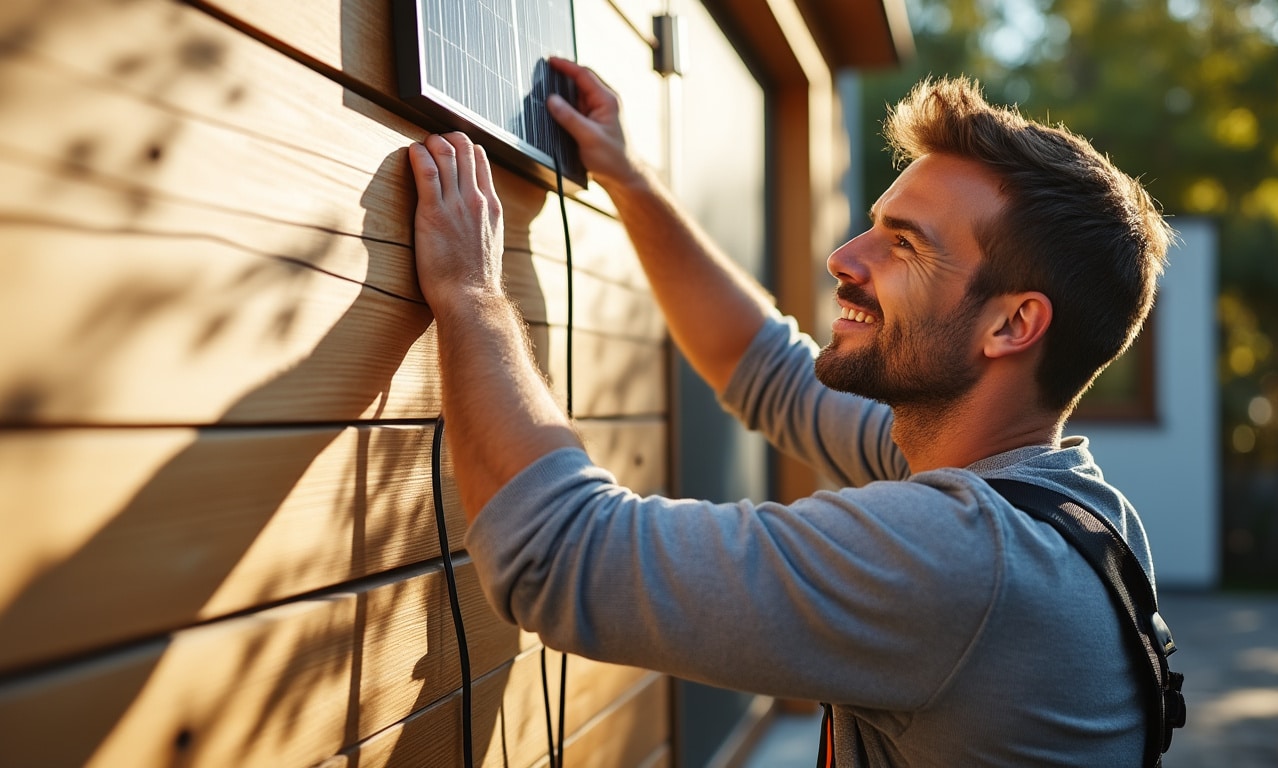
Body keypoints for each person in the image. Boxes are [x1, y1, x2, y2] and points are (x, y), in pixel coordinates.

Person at [406, 57, 1172, 766]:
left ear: (1011, 326)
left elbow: (559, 556)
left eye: (904, 245)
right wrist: (626, 176)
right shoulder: (1060, 503)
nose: (845, 256)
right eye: (875, 222)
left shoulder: (964, 560)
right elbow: (770, 372)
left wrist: (472, 292)